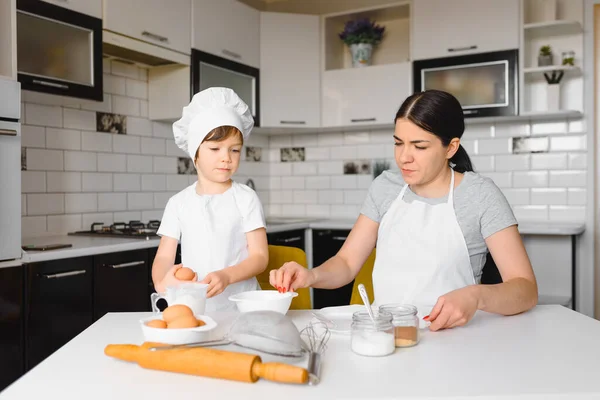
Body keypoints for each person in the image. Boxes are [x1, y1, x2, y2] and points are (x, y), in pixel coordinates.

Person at [270, 90, 538, 331]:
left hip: (454, 340)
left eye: (419, 146)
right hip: (384, 334)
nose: (403, 157)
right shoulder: (385, 186)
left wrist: (476, 295)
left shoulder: (480, 195)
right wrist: (311, 275)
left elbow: (525, 288)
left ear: (451, 148)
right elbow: (347, 263)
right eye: (398, 143)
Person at [152, 87, 269, 312]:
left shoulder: (246, 198)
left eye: (235, 150)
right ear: (195, 152)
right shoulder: (178, 203)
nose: (226, 158)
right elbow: (164, 257)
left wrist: (227, 275)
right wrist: (161, 280)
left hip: (243, 307)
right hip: (196, 307)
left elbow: (260, 256)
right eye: (215, 148)